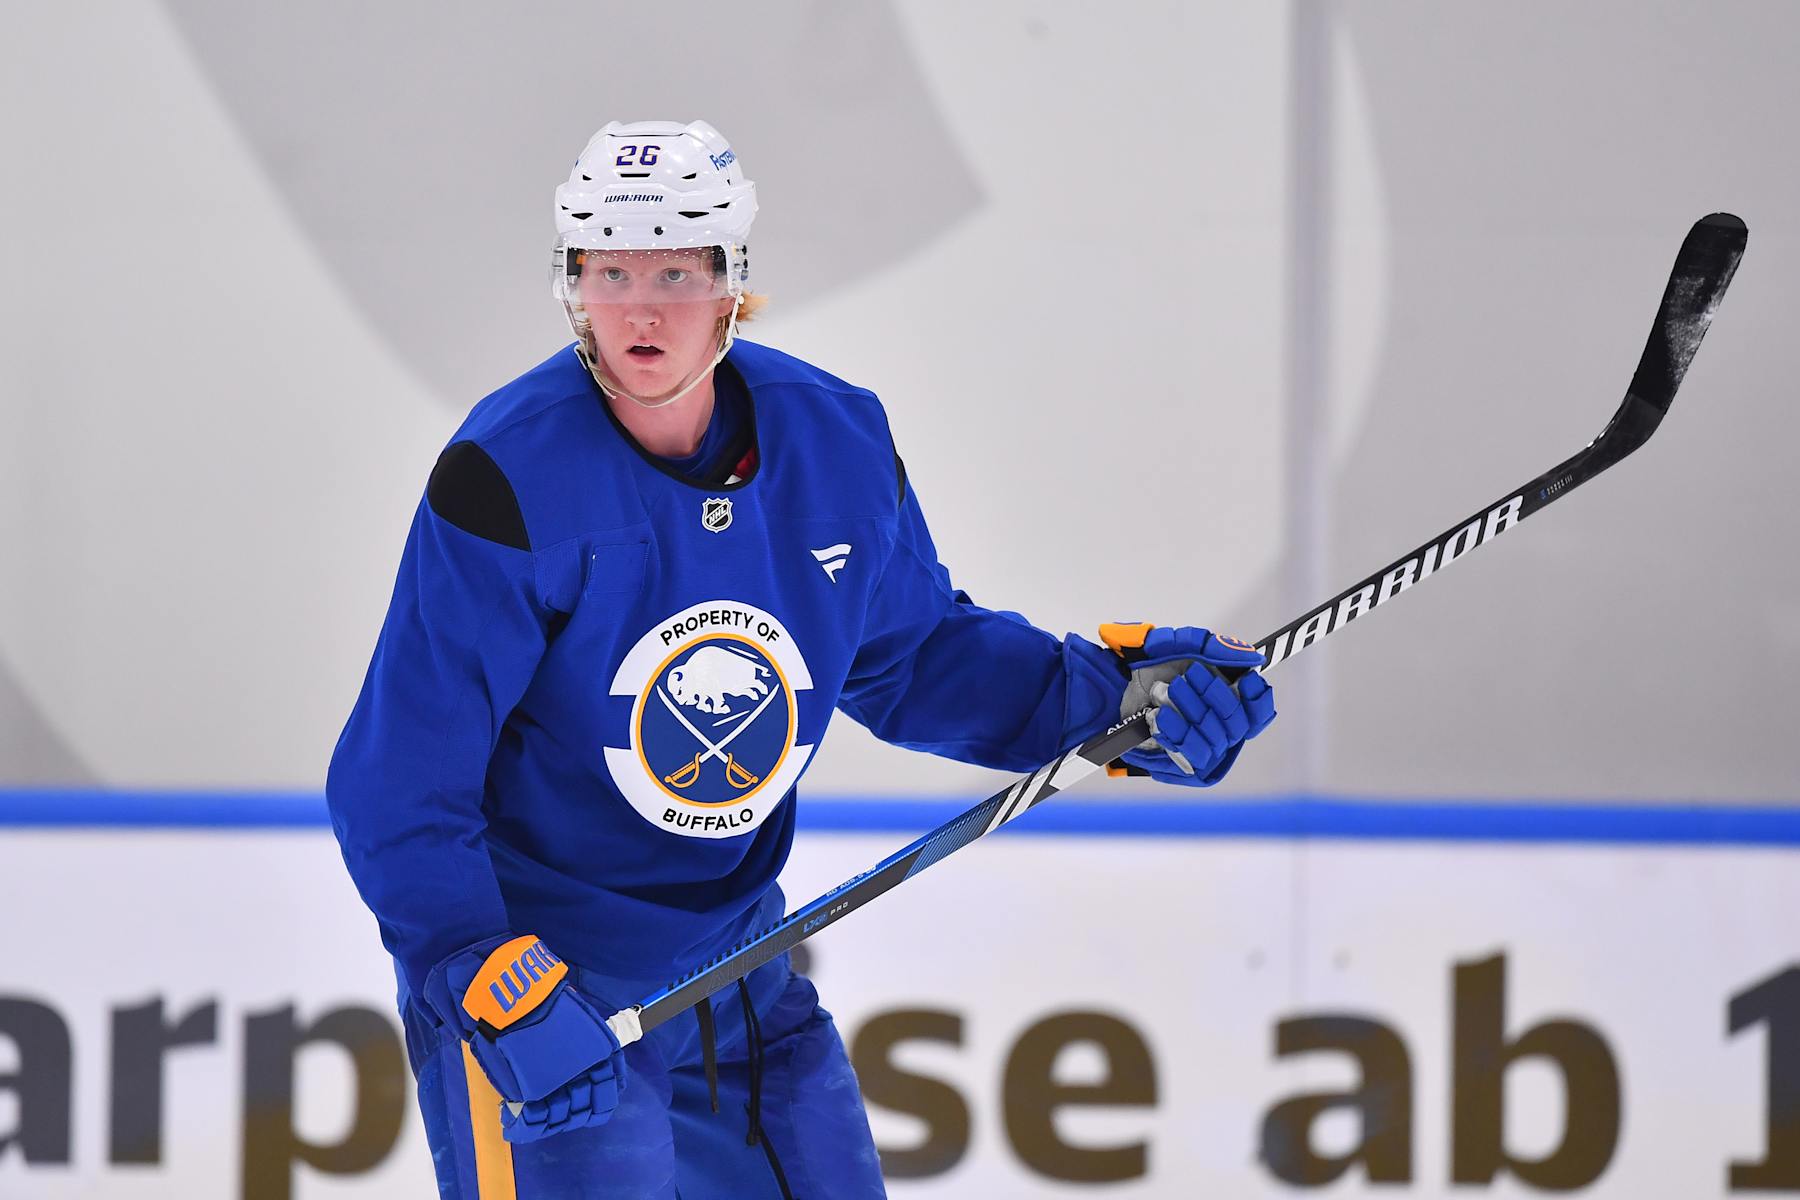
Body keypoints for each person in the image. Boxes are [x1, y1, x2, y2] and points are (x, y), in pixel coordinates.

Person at [326, 119, 1275, 1199]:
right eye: (610, 269)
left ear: (732, 284)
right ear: (573, 283)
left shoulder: (837, 442)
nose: (640, 307)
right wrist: (469, 967)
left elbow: (913, 658)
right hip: (545, 999)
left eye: (676, 270)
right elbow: (398, 781)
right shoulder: (506, 476)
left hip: (738, 980)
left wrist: (1109, 703)